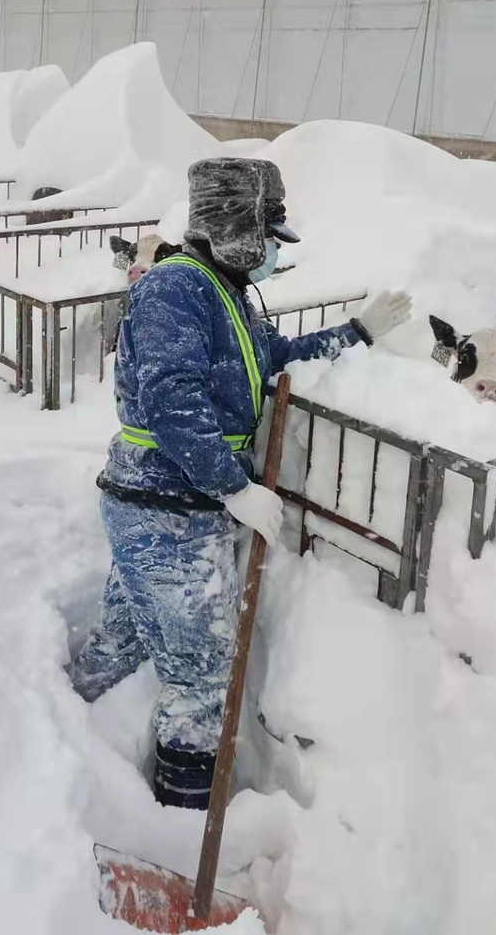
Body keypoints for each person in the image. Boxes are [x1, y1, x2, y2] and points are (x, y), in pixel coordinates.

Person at [69, 157, 411, 809]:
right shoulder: (178, 289)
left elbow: (274, 358)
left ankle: (61, 735)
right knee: (202, 674)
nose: (277, 258)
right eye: (273, 243)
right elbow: (172, 399)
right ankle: (182, 812)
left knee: (131, 636)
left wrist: (358, 333)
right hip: (167, 505)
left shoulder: (225, 293)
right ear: (242, 231)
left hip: (175, 502)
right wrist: (234, 487)